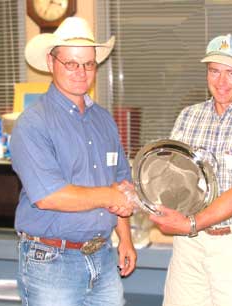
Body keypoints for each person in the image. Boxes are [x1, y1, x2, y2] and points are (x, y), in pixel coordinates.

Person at [10, 17, 137, 306]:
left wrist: (125, 238)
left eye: (88, 64)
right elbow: (49, 196)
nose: (81, 72)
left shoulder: (104, 120)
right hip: (51, 263)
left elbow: (121, 184)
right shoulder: (33, 124)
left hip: (103, 258)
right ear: (51, 62)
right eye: (71, 63)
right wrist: (110, 195)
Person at [150, 34, 232, 306]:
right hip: (191, 244)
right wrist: (143, 192)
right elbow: (173, 176)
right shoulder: (189, 116)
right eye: (214, 71)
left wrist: (190, 223)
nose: (221, 82)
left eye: (231, 73)